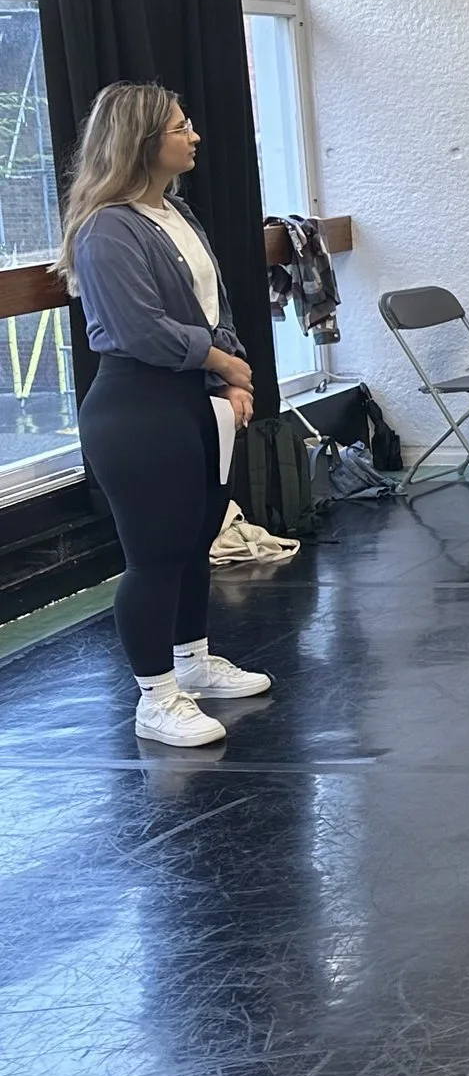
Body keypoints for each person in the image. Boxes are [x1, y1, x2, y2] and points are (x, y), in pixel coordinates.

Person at [56, 83, 267, 748]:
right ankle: (156, 697)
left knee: (195, 540)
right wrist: (223, 363)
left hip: (193, 399)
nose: (194, 135)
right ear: (143, 141)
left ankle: (193, 661)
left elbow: (213, 307)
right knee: (154, 554)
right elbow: (140, 329)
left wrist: (227, 376)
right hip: (138, 408)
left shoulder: (175, 213)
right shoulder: (106, 228)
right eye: (181, 127)